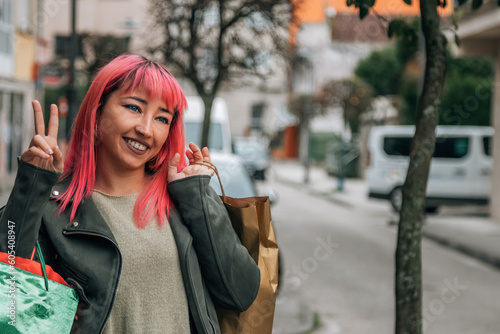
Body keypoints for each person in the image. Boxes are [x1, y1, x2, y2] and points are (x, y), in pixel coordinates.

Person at [0, 54, 260, 334]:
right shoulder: (54, 209)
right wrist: (31, 185)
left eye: (162, 118)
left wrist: (198, 198)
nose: (146, 129)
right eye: (134, 108)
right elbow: (9, 297)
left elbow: (240, 294)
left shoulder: (183, 201)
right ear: (98, 111)